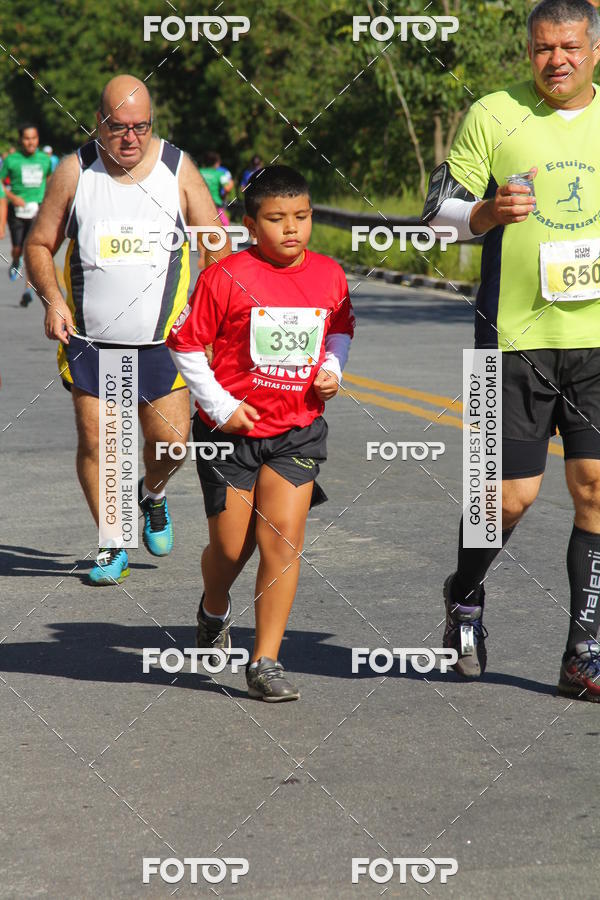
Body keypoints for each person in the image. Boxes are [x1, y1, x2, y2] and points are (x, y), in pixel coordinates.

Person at [425, 0, 600, 700]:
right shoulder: (493, 114)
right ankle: (465, 593)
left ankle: (583, 652)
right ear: (528, 52)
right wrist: (488, 213)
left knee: (594, 488)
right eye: (542, 48)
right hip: (512, 338)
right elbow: (437, 217)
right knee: (508, 498)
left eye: (569, 46)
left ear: (593, 49)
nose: (556, 59)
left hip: (595, 341)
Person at [25, 74, 231, 585]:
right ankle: (113, 542)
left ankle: (153, 495)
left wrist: (207, 314)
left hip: (164, 341)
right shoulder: (75, 171)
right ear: (99, 122)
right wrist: (53, 300)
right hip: (92, 340)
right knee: (100, 445)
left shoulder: (177, 168)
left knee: (173, 444)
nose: (131, 138)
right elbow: (38, 245)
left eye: (141, 127)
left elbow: (216, 242)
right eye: (119, 127)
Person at [167, 165, 355, 701]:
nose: (291, 228)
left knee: (281, 542)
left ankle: (266, 660)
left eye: (301, 217)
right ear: (251, 224)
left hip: (297, 430)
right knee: (230, 549)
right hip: (230, 435)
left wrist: (333, 372)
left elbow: (339, 327)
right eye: (276, 219)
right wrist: (222, 407)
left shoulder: (329, 275)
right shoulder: (224, 277)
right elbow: (184, 343)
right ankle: (213, 607)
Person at [2, 124, 52, 306]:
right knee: (18, 248)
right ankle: (16, 260)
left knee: (31, 249)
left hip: (36, 210)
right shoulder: (12, 160)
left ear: (38, 139)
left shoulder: (45, 160)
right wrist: (12, 197)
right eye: (27, 138)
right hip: (17, 212)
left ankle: (28, 290)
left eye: (34, 138)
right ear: (21, 140)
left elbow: (49, 180)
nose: (31, 142)